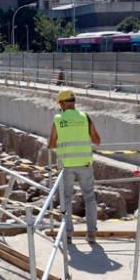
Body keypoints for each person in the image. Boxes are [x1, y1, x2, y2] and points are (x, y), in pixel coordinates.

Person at [48, 89, 102, 244]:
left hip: (65, 165)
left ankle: (68, 235)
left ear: (63, 103)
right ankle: (91, 233)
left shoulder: (58, 119)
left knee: (65, 199)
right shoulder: (85, 117)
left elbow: (51, 144)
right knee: (90, 197)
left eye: (60, 104)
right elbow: (97, 140)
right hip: (85, 163)